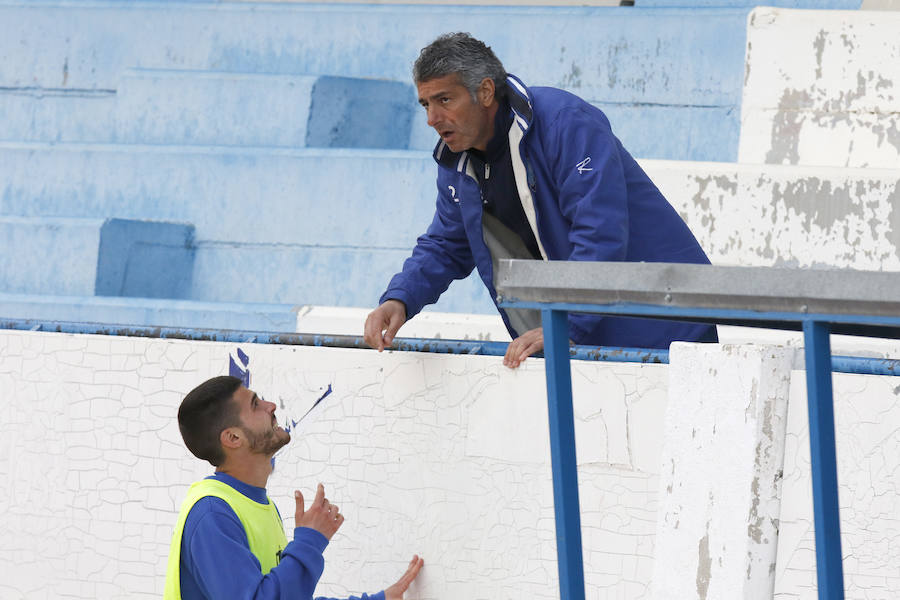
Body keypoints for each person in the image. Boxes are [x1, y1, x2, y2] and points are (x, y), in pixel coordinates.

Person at [364, 33, 717, 368]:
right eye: (426, 103)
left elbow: (600, 232)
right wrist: (400, 299)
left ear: (485, 92)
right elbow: (446, 244)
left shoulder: (565, 122)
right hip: (577, 344)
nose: (432, 119)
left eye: (444, 100)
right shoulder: (457, 159)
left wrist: (567, 326)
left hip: (665, 334)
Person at [164, 375, 424, 600]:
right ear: (233, 438)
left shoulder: (253, 505)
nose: (271, 406)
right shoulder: (212, 515)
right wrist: (309, 542)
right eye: (256, 405)